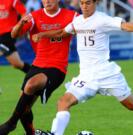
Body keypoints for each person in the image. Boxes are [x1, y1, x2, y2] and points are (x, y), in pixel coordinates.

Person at [33, 0, 133, 135]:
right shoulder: (78, 21)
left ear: (95, 3)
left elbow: (125, 26)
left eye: (88, 3)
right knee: (63, 102)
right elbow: (61, 32)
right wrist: (42, 34)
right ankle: (56, 133)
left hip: (107, 74)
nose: (85, 6)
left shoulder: (102, 19)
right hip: (86, 77)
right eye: (82, 3)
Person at [0, 0, 77, 135]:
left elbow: (83, 26)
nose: (47, 1)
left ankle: (11, 123)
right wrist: (20, 23)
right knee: (24, 106)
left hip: (57, 67)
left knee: (30, 85)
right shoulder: (35, 16)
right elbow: (14, 34)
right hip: (37, 65)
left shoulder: (71, 15)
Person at [0, 0, 31, 73]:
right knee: (17, 64)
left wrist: (19, 27)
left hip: (8, 35)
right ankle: (36, 74)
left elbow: (24, 14)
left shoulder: (13, 1)